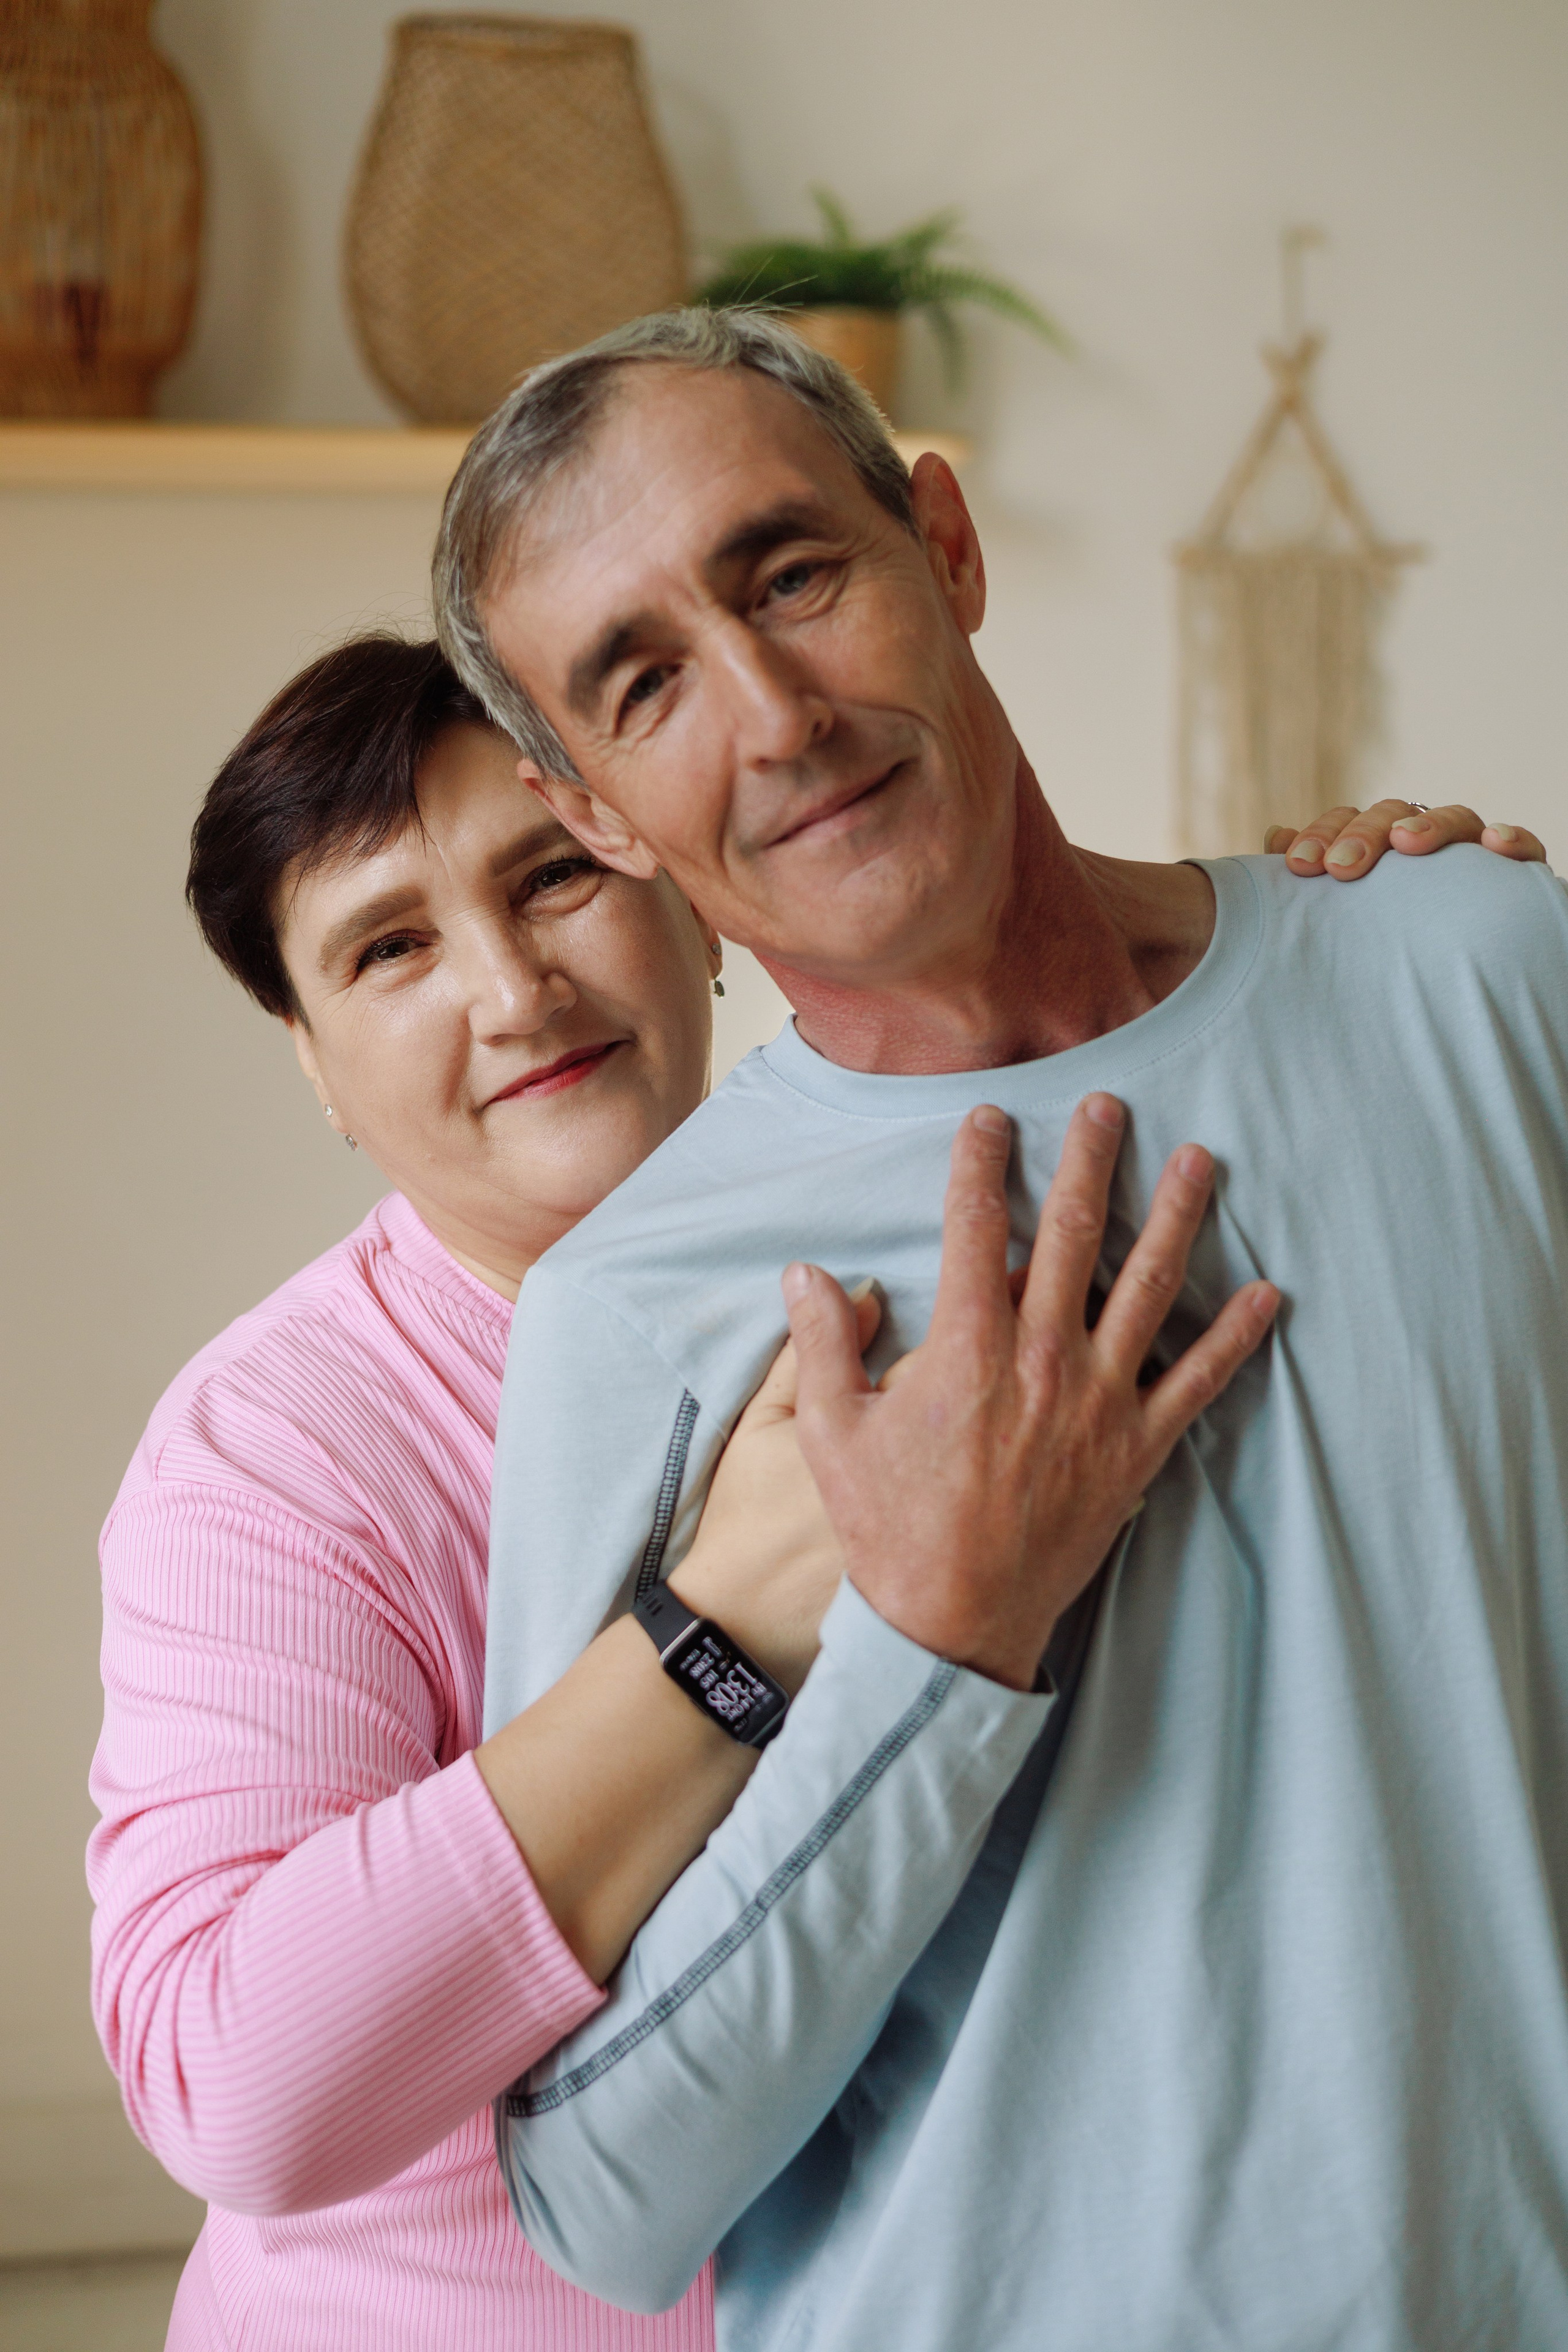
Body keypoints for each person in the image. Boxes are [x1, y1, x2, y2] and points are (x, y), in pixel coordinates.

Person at [432, 306, 1568, 2350]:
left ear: (941, 547)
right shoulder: (639, 1313)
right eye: (645, 681)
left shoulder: (1485, 976)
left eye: (792, 574)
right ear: (589, 803)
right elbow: (604, 2199)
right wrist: (945, 1647)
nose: (773, 713)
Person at [93, 634, 1397, 2350]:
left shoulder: (943, 1233)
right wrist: (725, 1624)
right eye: (390, 948)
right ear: (319, 1068)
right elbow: (240, 2084)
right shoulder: (277, 1457)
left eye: (551, 876)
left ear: (696, 901)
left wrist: (1371, 930)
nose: (510, 990)